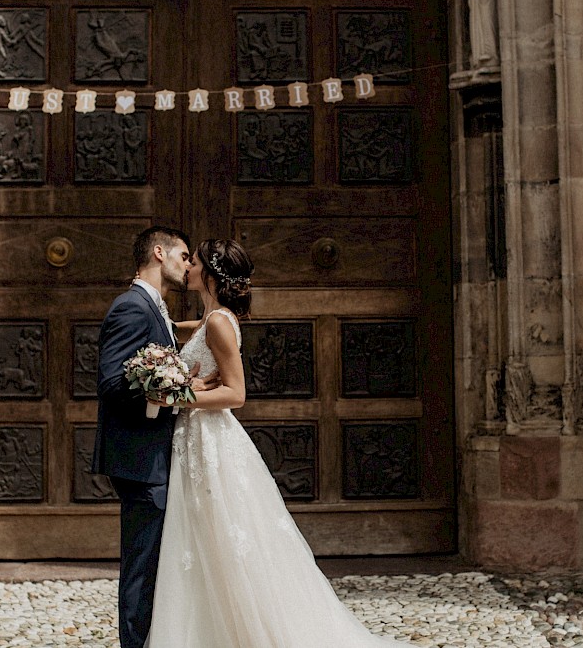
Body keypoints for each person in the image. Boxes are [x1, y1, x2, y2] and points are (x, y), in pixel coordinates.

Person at [145, 239, 403, 647]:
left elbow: (236, 394)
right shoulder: (213, 316)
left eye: (194, 261)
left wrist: (177, 395)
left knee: (221, 536)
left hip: (211, 441)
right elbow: (195, 334)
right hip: (196, 439)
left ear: (209, 274)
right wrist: (168, 338)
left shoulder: (216, 322)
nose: (188, 265)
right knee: (203, 536)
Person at [90, 226, 217, 648]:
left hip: (152, 456)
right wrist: (176, 391)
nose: (187, 264)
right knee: (142, 570)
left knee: (155, 566)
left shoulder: (154, 308)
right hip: (139, 458)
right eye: (183, 255)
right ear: (159, 253)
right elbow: (111, 382)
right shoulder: (132, 307)